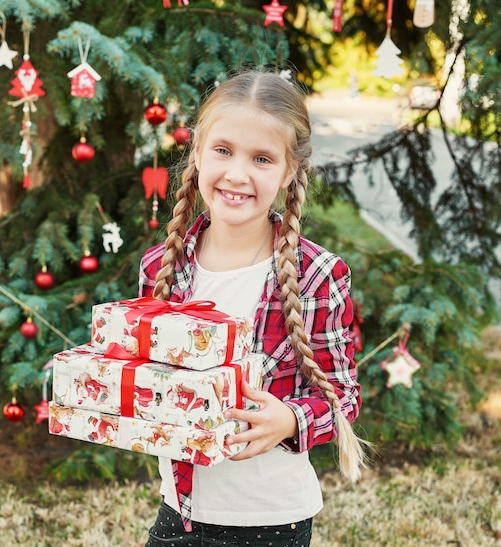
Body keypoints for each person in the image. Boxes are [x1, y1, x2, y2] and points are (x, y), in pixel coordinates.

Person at [138, 69, 368, 546]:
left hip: (272, 521)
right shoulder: (163, 267)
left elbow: (343, 395)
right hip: (178, 508)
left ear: (288, 171)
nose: (237, 174)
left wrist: (289, 419)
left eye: (262, 158)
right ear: (197, 152)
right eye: (223, 150)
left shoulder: (315, 275)